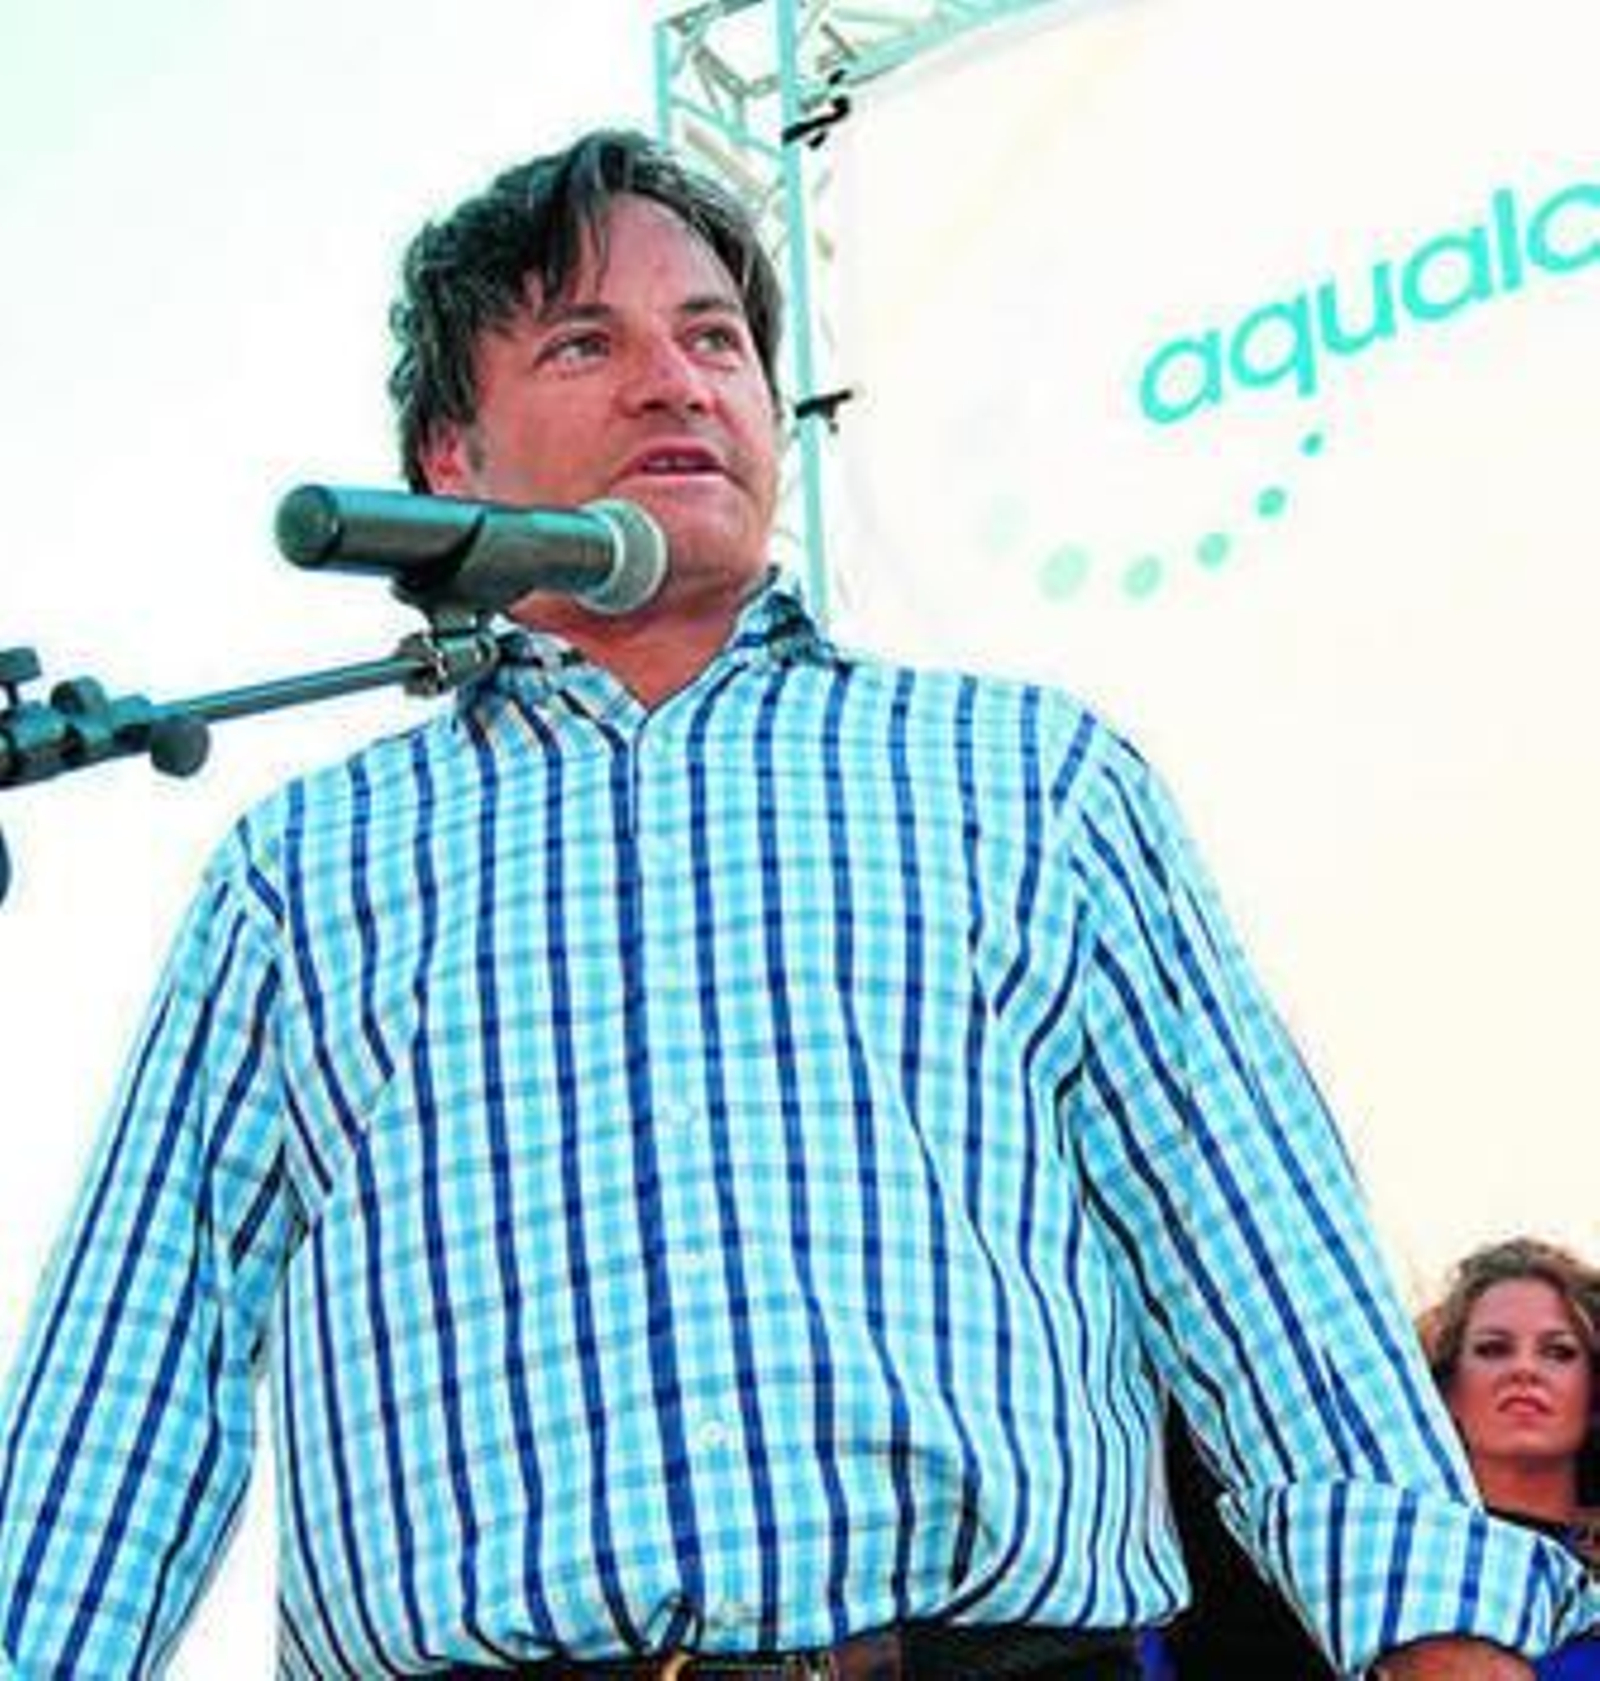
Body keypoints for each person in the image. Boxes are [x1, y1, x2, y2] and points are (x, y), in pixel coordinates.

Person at [0, 128, 1594, 1681]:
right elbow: (132, 1376)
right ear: (449, 464)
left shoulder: (1031, 779)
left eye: (715, 338)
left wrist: (1438, 1642)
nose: (677, 380)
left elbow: (1260, 1260)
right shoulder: (302, 872)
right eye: (583, 343)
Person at [1418, 1238, 1600, 1678]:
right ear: (1447, 1392)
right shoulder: (1396, 1562)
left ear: (1595, 1394)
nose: (1525, 1370)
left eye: (1558, 1352)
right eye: (1493, 1349)